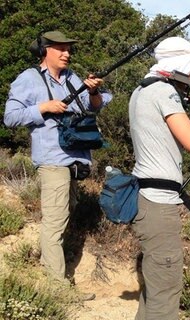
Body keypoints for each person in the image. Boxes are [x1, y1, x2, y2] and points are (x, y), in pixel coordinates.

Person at [3, 30, 112, 297]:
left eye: (68, 49)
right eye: (60, 48)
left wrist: (94, 90)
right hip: (52, 160)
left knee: (64, 214)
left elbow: (95, 105)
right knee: (54, 220)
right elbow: (10, 117)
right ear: (44, 51)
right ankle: (57, 287)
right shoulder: (28, 79)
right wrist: (44, 107)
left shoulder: (72, 78)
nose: (67, 53)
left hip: (74, 158)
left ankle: (52, 269)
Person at [128, 36, 190, 319]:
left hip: (147, 199)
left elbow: (183, 135)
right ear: (182, 63)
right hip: (159, 204)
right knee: (166, 293)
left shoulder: (144, 89)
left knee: (155, 292)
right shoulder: (163, 92)